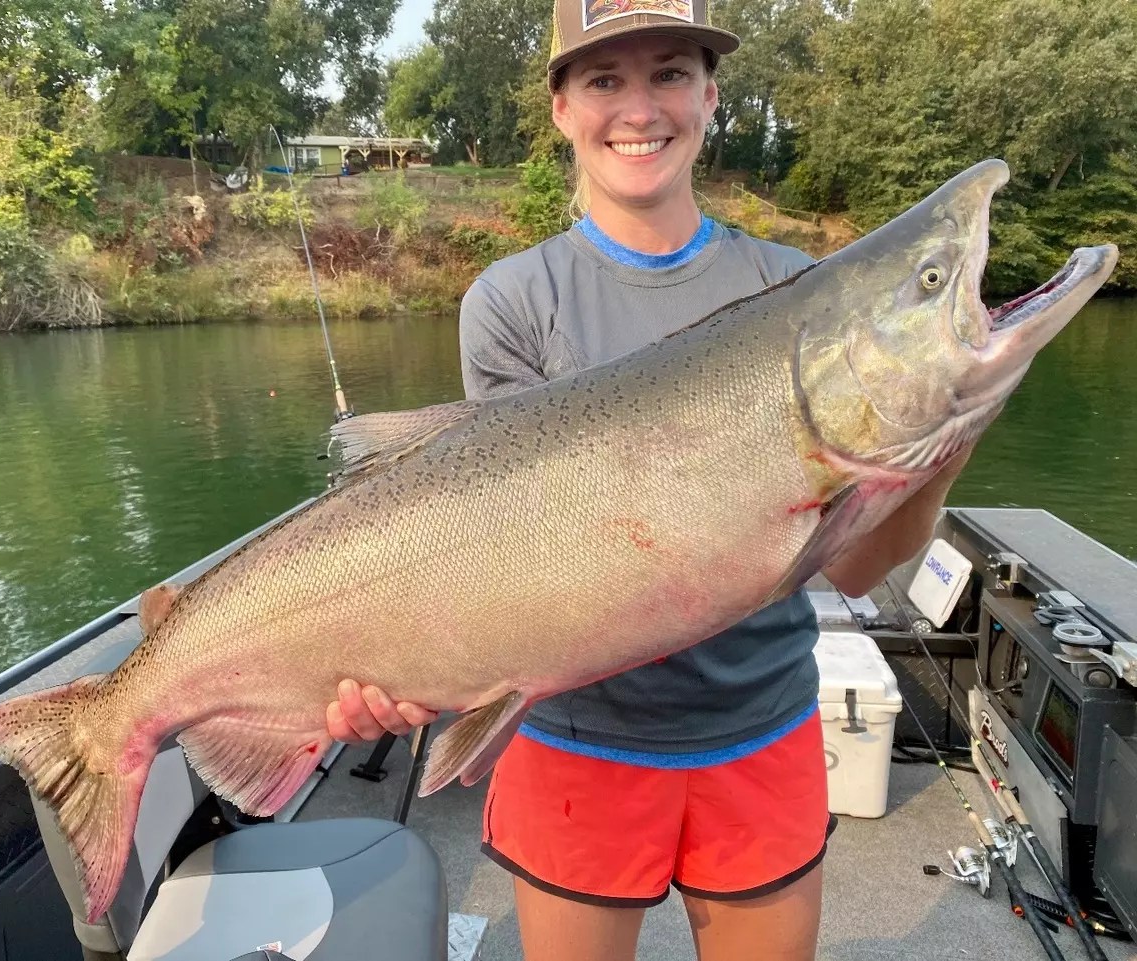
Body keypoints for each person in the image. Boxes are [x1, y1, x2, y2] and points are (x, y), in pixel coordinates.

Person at [325, 1, 974, 957]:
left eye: (670, 73)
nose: (640, 107)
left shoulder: (798, 290)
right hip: (578, 740)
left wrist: (934, 446)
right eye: (604, 79)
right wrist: (405, 673)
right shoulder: (510, 302)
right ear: (561, 108)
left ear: (711, 95)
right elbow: (504, 551)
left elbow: (852, 570)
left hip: (762, 726)